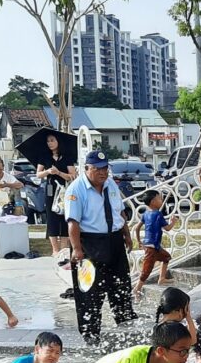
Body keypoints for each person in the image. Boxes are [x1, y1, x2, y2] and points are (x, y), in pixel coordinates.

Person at [65, 150, 137, 345]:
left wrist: (127, 235)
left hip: (114, 241)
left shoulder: (110, 184)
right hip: (89, 244)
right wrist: (77, 249)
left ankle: (125, 322)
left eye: (105, 169)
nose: (102, 173)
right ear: (87, 169)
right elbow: (73, 223)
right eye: (97, 169)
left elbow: (119, 211)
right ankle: (91, 334)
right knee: (90, 291)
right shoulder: (76, 190)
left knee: (121, 284)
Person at [36, 133, 78, 261]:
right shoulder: (44, 156)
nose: (50, 143)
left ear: (58, 141)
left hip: (64, 191)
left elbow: (72, 176)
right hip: (50, 190)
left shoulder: (67, 157)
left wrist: (58, 172)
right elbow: (38, 174)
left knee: (64, 217)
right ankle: (55, 249)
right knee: (52, 218)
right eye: (48, 141)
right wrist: (48, 171)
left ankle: (64, 247)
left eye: (52, 140)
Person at [132, 189, 175, 296]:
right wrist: (173, 222)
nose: (161, 200)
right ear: (152, 202)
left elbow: (137, 228)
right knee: (146, 270)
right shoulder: (158, 214)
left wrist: (139, 241)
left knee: (166, 257)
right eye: (159, 198)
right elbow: (168, 228)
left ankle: (162, 278)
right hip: (152, 248)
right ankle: (136, 289)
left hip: (151, 246)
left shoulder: (146, 214)